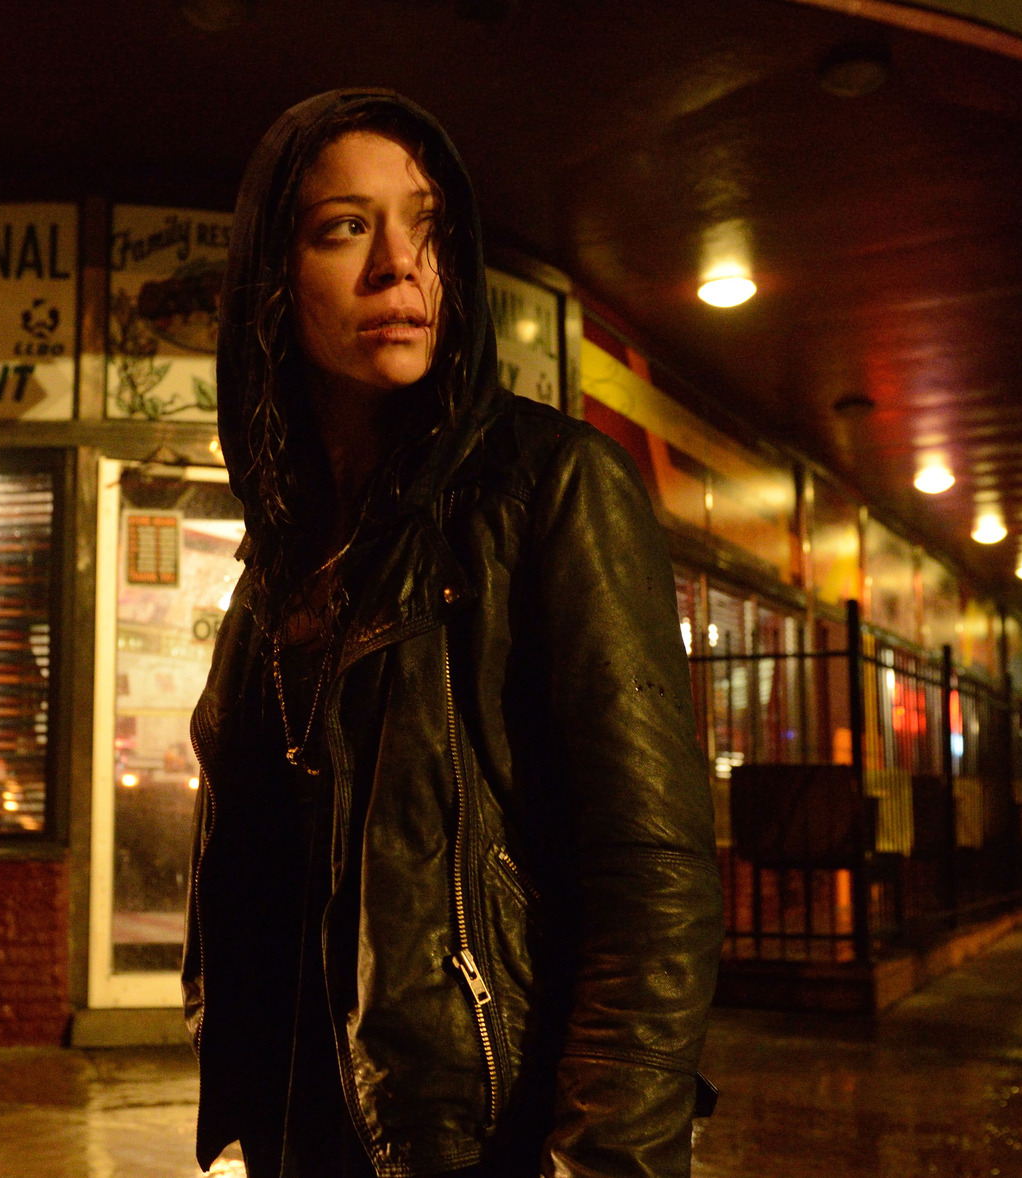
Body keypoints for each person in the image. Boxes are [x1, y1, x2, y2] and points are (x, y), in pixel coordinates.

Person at [183, 89, 722, 1178]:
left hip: (484, 1140)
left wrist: (605, 1159)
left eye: (426, 228)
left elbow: (650, 877)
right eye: (346, 227)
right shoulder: (278, 557)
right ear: (273, 278)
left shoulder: (550, 488)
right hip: (308, 1135)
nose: (399, 267)